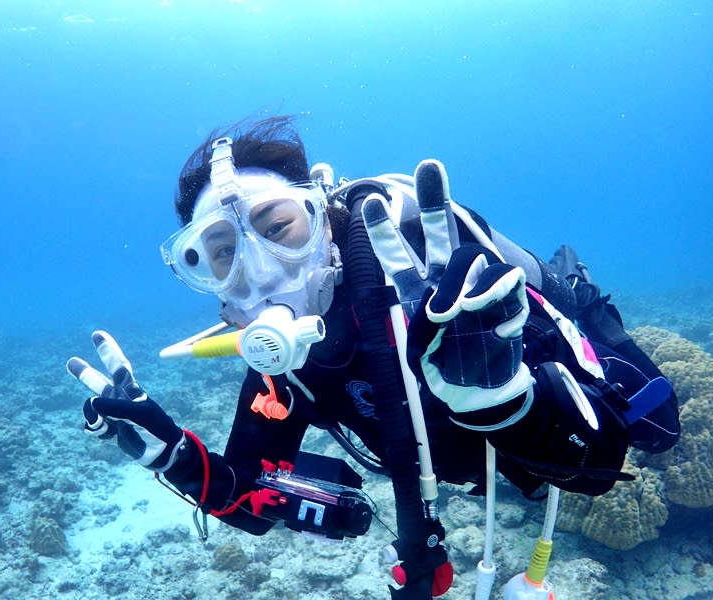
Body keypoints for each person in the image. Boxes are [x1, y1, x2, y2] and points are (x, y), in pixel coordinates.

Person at [67, 115, 680, 599]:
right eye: (220, 254)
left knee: (660, 429)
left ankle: (574, 287)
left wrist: (506, 398)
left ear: (323, 219)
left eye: (277, 228)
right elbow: (248, 496)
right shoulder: (280, 368)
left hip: (542, 429)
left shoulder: (435, 288)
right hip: (454, 478)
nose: (257, 270)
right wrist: (171, 456)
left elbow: (600, 467)